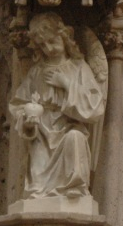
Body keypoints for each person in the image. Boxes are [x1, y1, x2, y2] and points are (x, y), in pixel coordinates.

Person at [9, 12, 107, 199]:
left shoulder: (79, 68)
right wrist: (28, 120)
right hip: (42, 131)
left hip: (67, 127)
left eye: (52, 41)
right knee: (37, 153)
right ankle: (39, 191)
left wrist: (67, 85)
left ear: (65, 36)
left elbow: (95, 108)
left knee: (75, 138)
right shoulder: (36, 71)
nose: (48, 48)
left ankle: (74, 187)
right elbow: (19, 103)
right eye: (42, 45)